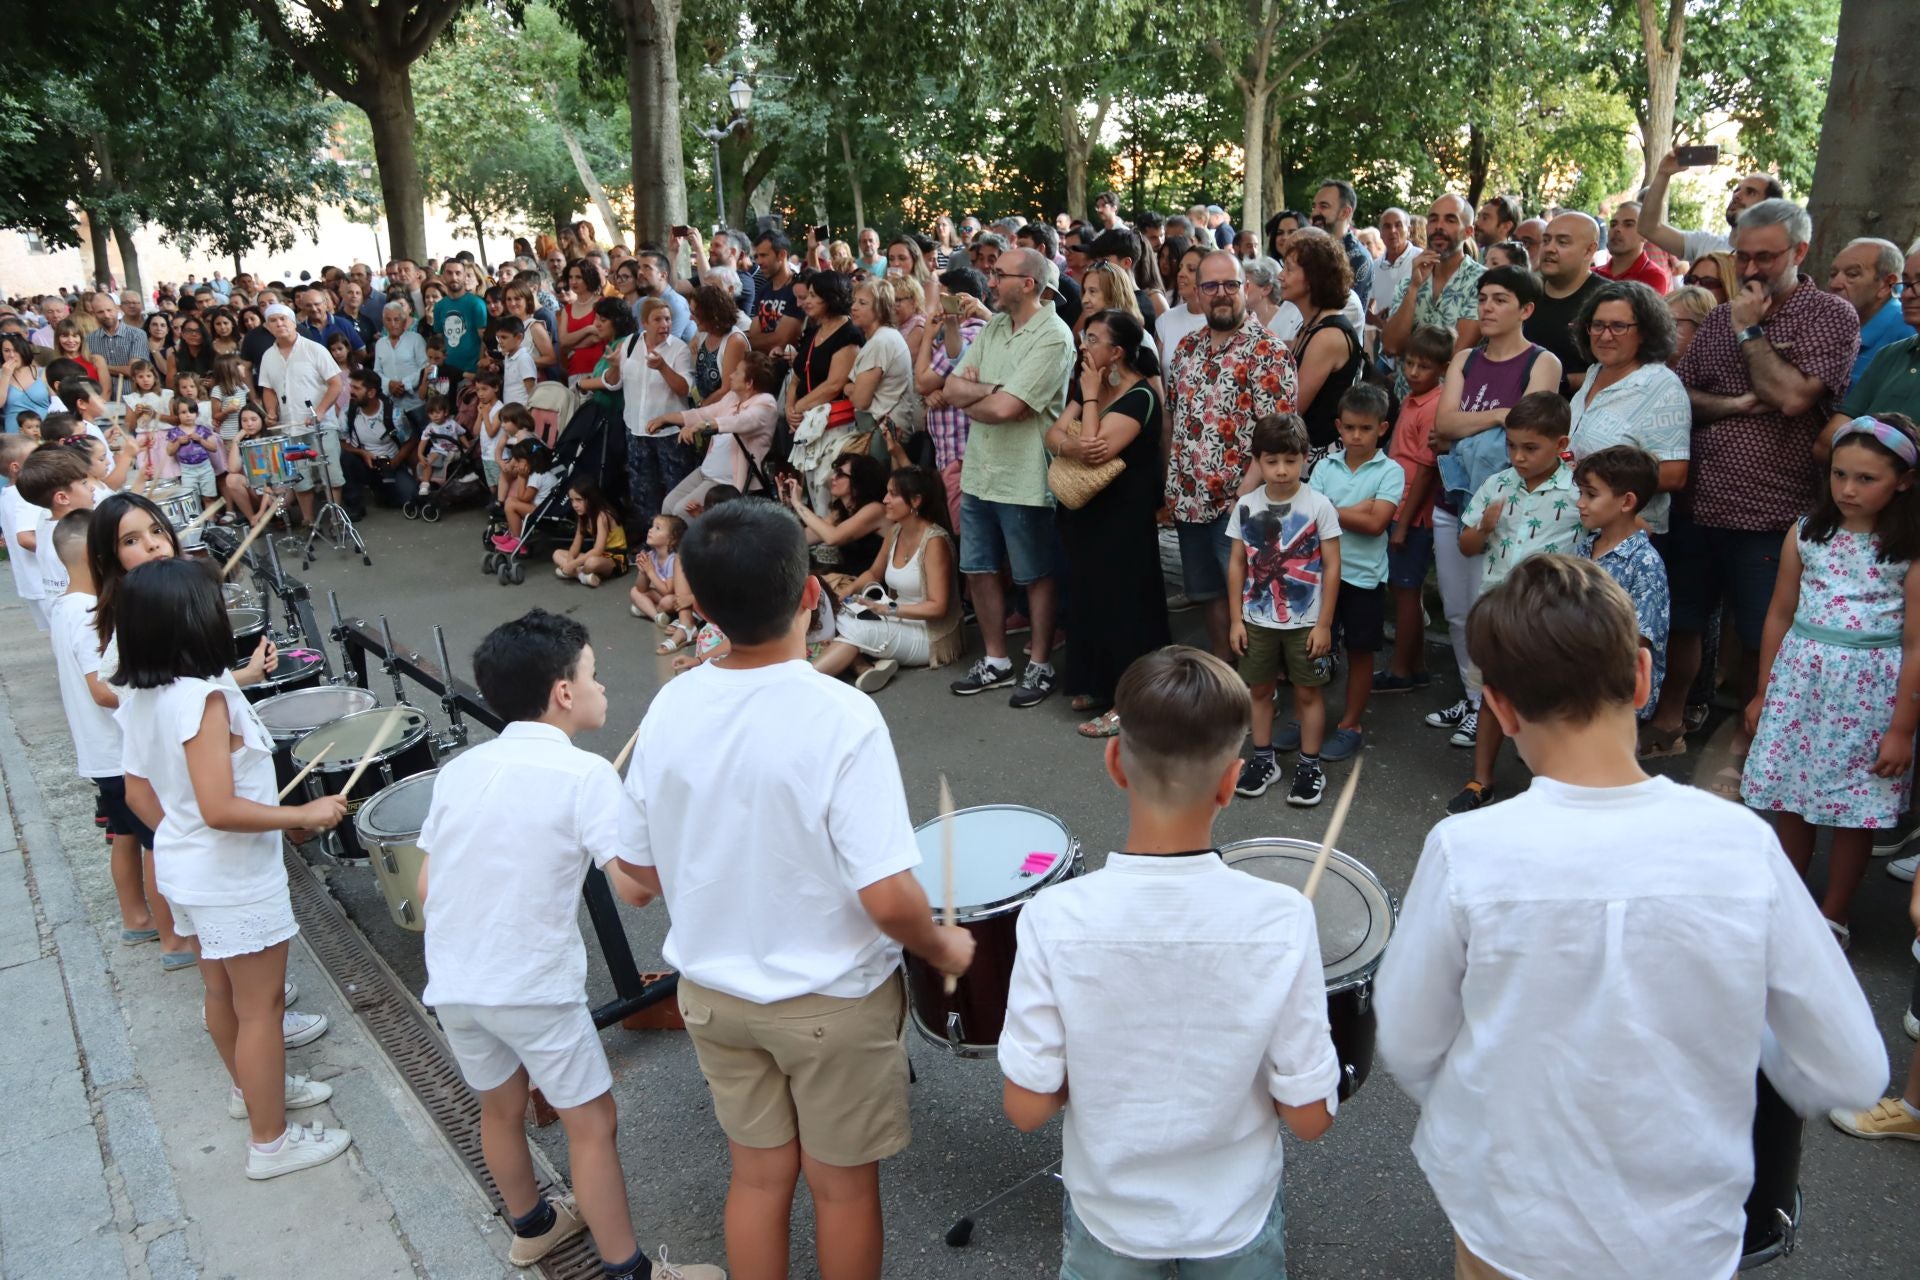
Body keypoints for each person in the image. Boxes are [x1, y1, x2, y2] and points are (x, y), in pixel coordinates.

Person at [1376, 550, 1886, 1280]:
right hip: (1684, 1232)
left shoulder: (1467, 849)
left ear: (1500, 705)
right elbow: (1852, 1069)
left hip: (1510, 1217)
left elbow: (1409, 1038)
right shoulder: (1743, 845)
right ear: (1644, 677)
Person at [617, 501, 974, 1280]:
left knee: (757, 1176)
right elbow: (886, 897)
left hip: (713, 994)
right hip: (831, 999)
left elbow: (636, 881)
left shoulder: (671, 705)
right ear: (813, 595)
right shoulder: (841, 715)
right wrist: (944, 942)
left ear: (701, 608)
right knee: (841, 1192)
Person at [998, 644, 1338, 1277]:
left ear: (1114, 763)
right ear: (1233, 782)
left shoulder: (1052, 917)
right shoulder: (1282, 919)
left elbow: (1026, 1108)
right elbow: (1311, 1118)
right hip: (1234, 1216)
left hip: (1110, 1216)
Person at [413, 609, 719, 1278]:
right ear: (563, 692)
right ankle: (628, 1270)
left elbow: (432, 884)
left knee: (501, 1105)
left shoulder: (463, 770)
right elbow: (634, 890)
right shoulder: (585, 776)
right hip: (533, 985)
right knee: (592, 1123)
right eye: (595, 675)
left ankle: (533, 1227)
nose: (603, 688)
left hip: (455, 978)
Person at [112, 558, 353, 1179]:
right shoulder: (205, 699)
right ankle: (271, 1143)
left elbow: (139, 794)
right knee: (261, 1007)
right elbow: (219, 807)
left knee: (221, 993)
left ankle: (253, 1092)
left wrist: (183, 837)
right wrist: (302, 814)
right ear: (195, 623)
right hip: (232, 878)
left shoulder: (143, 694)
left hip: (186, 871)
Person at [1655, 200, 1862, 762]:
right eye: (1743, 256)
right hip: (1700, 501)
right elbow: (1685, 398)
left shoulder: (1830, 316)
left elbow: (1794, 397)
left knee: (1761, 640)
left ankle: (1748, 747)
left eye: (1765, 257)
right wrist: (1737, 403)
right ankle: (1669, 726)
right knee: (1684, 621)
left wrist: (1751, 336)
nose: (1750, 270)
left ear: (1799, 252)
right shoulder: (1718, 318)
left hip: (1774, 513)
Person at [1740, 413, 1920, 947]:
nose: (1848, 489)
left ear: (1904, 481)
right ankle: (1790, 901)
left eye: (1867, 479)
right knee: (1791, 796)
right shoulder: (1807, 532)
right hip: (1801, 682)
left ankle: (1833, 914)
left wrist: (1902, 729)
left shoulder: (1907, 550)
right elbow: (1779, 613)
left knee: (1854, 808)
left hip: (1870, 693)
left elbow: (1916, 642)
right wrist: (1763, 691)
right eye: (1840, 474)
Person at [1427, 266, 1563, 749]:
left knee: (1497, 612)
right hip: (1455, 500)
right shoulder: (1465, 356)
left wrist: (1481, 422)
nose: (1486, 307)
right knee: (1459, 610)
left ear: (1525, 309)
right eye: (1483, 297)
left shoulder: (1542, 363)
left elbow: (1524, 433)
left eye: (1500, 299)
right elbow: (1443, 426)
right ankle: (1470, 698)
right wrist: (1499, 414)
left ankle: (1493, 705)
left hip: (1509, 508)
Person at [942, 247, 1076, 705]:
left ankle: (1039, 665)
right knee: (978, 568)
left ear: (1029, 284)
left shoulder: (1054, 336)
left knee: (1034, 574)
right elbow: (949, 387)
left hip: (1025, 476)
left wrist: (984, 395)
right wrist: (994, 391)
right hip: (979, 469)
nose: (989, 282)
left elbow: (1005, 409)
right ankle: (996, 660)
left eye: (999, 275)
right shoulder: (996, 326)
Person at [46, 512, 174, 957]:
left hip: (101, 753)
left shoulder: (63, 606)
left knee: (126, 835)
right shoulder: (87, 613)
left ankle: (136, 918)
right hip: (119, 751)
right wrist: (161, 694)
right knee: (158, 843)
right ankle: (173, 938)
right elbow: (101, 690)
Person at [1450, 393, 1582, 814]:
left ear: (1561, 443)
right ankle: (1481, 779)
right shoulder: (1497, 484)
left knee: (1544, 703)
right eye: (1512, 446)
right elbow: (1467, 544)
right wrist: (1485, 526)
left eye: (1531, 448)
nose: (1518, 457)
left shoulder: (1579, 490)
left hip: (1550, 618)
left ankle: (1545, 787)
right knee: (1495, 695)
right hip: (1499, 611)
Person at [1045, 309, 1170, 736]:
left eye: (1093, 339)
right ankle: (1098, 685)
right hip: (1087, 514)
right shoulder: (1090, 386)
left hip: (1123, 519)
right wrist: (1074, 440)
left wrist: (1088, 407)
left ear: (1116, 352)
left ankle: (1129, 703)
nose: (1084, 346)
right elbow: (1053, 435)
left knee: (1125, 608)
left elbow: (1094, 446)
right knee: (1090, 598)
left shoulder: (1140, 396)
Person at [1167, 251, 1298, 659]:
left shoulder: (1269, 352)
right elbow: (1175, 421)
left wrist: (1243, 495)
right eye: (1211, 286)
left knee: (1252, 602)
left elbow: (1279, 437)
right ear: (1197, 292)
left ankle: (1261, 693)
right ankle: (1224, 686)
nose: (1221, 294)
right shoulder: (1186, 348)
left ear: (1245, 289)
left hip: (1240, 506)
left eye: (1230, 285)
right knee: (1210, 597)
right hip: (1189, 500)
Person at [1228, 413, 1342, 806]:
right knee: (1259, 690)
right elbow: (1237, 564)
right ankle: (1263, 759)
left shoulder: (1319, 505)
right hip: (1256, 620)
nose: (1280, 471)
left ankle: (1310, 765)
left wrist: (1324, 624)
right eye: (1271, 461)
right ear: (1257, 460)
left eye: (1290, 461)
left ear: (1305, 458)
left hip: (1306, 622)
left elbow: (1331, 567)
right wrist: (1234, 620)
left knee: (1309, 693)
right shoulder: (1246, 505)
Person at [1312, 384, 1405, 760]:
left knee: (1361, 651)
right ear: (1338, 426)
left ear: (1382, 429)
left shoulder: (1391, 471)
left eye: (1365, 429)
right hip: (1321, 575)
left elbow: (1377, 524)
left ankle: (1350, 723)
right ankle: (1309, 715)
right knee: (1314, 649)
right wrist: (1357, 510)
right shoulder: (1325, 465)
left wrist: (1331, 509)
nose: (1356, 435)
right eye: (1349, 427)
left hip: (1364, 578)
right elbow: (1310, 520)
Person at [810, 466, 960, 694]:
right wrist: (842, 595)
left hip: (930, 635)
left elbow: (938, 608)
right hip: (898, 620)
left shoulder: (934, 541)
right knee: (836, 615)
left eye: (893, 494)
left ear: (916, 501)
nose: (885, 499)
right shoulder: (896, 531)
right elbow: (873, 574)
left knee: (856, 632)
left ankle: (802, 681)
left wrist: (887, 608)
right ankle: (864, 667)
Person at [1565, 280, 1691, 536]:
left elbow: (1674, 474)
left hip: (1623, 539)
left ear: (1645, 332)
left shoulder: (1661, 385)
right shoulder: (1595, 372)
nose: (1605, 335)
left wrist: (1595, 480)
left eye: (1619, 326)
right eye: (1598, 325)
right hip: (1573, 526)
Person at [1379, 327, 1458, 697]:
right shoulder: (1413, 398)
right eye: (1409, 362)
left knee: (1406, 591)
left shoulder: (1434, 406)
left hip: (1413, 513)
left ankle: (1399, 670)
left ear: (1442, 368)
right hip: (1401, 503)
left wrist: (1402, 524)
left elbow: (1426, 470)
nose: (1412, 371)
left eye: (1423, 366)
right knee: (1407, 591)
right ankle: (1418, 666)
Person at [1573, 445, 1670, 727]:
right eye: (1581, 493)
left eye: (1591, 495)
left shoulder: (1645, 563)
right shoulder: (1585, 547)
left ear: (1626, 502)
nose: (1580, 503)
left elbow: (1638, 639)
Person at [1380, 194, 1486, 399]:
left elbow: (1457, 354)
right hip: (1405, 402)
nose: (1439, 226)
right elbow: (1391, 345)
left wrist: (1409, 349)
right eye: (1433, 219)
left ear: (1468, 232)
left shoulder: (1483, 282)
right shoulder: (1408, 281)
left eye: (1450, 219)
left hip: (1450, 405)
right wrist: (1413, 288)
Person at [257, 303, 347, 529]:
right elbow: (268, 389)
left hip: (321, 425)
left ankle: (336, 519)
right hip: (290, 426)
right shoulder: (268, 356)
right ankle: (309, 521)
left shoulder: (314, 349)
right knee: (300, 478)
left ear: (293, 322)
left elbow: (336, 384)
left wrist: (320, 411)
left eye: (283, 319)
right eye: (273, 320)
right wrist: (270, 412)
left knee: (330, 474)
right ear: (268, 327)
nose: (279, 324)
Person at [1278, 230, 1364, 464]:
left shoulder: (1328, 336)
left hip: (1321, 462)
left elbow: (1293, 408)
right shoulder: (1313, 325)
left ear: (1312, 278)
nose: (1280, 275)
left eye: (1288, 269)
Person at [606, 297, 694, 525]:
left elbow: (685, 389)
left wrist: (663, 367)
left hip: (669, 434)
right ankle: (650, 541)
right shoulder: (630, 344)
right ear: (644, 322)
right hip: (636, 431)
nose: (664, 324)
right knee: (642, 491)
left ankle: (677, 541)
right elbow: (615, 383)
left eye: (667, 319)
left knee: (675, 488)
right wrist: (614, 366)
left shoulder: (679, 349)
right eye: (658, 319)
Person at [1642, 150, 1785, 259]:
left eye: (1751, 192)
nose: (1737, 196)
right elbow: (1648, 229)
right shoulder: (1705, 244)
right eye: (1736, 190)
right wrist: (1663, 173)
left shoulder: (1773, 262)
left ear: (1769, 207)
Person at [1522, 212, 1606, 396]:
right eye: (1546, 240)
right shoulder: (1524, 291)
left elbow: (1621, 371)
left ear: (1589, 250)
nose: (1550, 249)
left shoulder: (1608, 301)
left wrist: (1561, 381)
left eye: (1562, 242)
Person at [1829, 237, 1916, 383]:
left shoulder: (1908, 330)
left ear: (1886, 284)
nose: (1835, 284)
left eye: (1852, 274)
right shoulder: (1829, 324)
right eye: (1832, 274)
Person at [17, 442, 97, 598]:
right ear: (62, 497)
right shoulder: (76, 537)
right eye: (84, 483)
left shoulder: (44, 521)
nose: (92, 488)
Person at [846, 277, 921, 437]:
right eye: (854, 302)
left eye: (862, 303)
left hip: (881, 434)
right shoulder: (885, 336)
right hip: (884, 429)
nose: (853, 307)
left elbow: (860, 400)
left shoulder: (880, 342)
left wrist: (849, 388)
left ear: (880, 309)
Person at [340, 368, 419, 511]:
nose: (351, 392)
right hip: (364, 464)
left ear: (371, 393)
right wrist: (362, 453)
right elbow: (342, 443)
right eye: (351, 387)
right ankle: (355, 507)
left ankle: (383, 492)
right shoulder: (348, 412)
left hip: (391, 464)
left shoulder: (393, 413)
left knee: (411, 497)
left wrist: (395, 461)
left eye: (356, 388)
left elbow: (411, 440)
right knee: (346, 458)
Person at [0, 434, 47, 631]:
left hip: (31, 581)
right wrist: (58, 546)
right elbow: (26, 538)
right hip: (45, 580)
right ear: (16, 467)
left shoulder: (8, 493)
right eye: (34, 458)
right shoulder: (25, 495)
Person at [1310, 178, 1376, 311]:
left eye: (1323, 206)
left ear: (1345, 212)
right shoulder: (1312, 250)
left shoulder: (1358, 258)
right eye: (1314, 206)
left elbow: (1340, 308)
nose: (1315, 213)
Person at [551, 475, 627, 588]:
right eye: (572, 500)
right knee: (557, 554)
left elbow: (598, 550)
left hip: (615, 558)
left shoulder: (602, 516)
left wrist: (572, 565)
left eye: (578, 500)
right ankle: (582, 576)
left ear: (591, 499)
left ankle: (577, 573)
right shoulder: (583, 516)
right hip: (598, 555)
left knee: (591, 563)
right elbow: (575, 546)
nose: (574, 505)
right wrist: (570, 561)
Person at [1598, 201, 1671, 294]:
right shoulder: (1594, 274)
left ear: (1645, 235)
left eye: (1628, 224)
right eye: (1613, 224)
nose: (1617, 229)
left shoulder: (1652, 276)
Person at [163, 396, 222, 512]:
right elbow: (169, 452)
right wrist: (178, 442)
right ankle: (196, 525)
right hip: (187, 471)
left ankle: (211, 523)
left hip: (205, 468)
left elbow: (214, 448)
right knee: (190, 499)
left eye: (191, 411)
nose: (188, 415)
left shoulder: (202, 429)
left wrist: (200, 440)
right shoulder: (174, 432)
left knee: (209, 497)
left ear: (196, 414)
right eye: (183, 412)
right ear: (177, 415)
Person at [627, 514, 685, 626]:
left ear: (672, 539)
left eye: (657, 528)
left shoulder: (673, 559)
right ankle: (657, 616)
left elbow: (668, 591)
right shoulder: (652, 555)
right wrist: (642, 571)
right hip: (659, 595)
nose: (650, 530)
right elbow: (642, 588)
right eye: (652, 526)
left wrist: (649, 571)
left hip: (674, 598)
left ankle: (647, 610)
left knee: (666, 601)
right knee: (634, 591)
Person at [374, 300, 427, 417]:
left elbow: (424, 367)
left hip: (417, 403)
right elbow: (377, 372)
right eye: (388, 320)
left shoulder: (416, 339)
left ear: (404, 321)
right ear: (383, 322)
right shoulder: (380, 344)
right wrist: (389, 384)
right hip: (392, 405)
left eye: (396, 319)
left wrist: (403, 384)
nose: (393, 324)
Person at [1369, 207, 1418, 326]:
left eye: (1398, 225)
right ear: (1380, 233)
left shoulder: (1422, 260)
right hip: (1384, 338)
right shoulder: (1374, 266)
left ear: (1409, 230)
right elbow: (1365, 308)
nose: (1392, 230)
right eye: (1387, 226)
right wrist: (1376, 320)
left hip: (1418, 338)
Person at [411, 394, 466, 497]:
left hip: (454, 450)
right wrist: (420, 454)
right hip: (438, 450)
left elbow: (461, 434)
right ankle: (425, 484)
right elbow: (423, 441)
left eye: (437, 412)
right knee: (428, 461)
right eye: (431, 413)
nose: (435, 416)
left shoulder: (452, 424)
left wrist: (467, 447)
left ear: (445, 412)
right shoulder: (430, 428)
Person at [85, 290, 144, 382]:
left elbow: (134, 370)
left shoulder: (137, 334)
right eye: (100, 312)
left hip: (131, 394)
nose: (106, 315)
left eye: (109, 310)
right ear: (94, 314)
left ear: (117, 309)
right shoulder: (89, 340)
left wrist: (100, 367)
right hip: (103, 394)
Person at [2, 333, 52, 433]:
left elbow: (57, 403)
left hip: (43, 429)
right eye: (7, 351)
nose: (11, 355)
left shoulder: (43, 372)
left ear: (23, 351)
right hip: (14, 433)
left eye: (16, 350)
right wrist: (6, 375)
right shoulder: (2, 375)